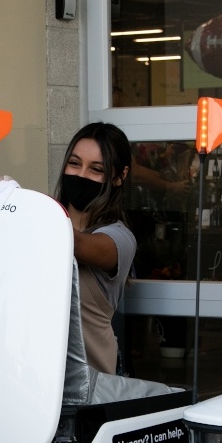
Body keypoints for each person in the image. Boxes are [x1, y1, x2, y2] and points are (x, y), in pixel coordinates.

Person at [55, 122, 135, 375]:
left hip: (90, 389)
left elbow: (77, 243)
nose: (81, 175)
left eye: (96, 169)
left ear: (119, 176)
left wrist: (16, 206)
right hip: (32, 380)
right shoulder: (44, 223)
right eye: (75, 163)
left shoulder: (119, 238)